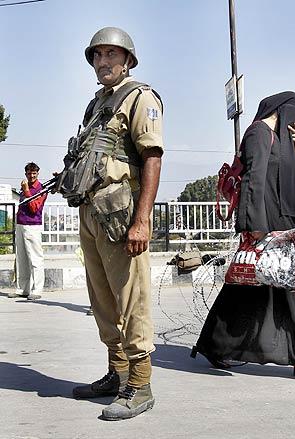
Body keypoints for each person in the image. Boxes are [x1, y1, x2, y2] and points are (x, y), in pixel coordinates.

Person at [192, 91, 295, 379]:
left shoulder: (279, 140)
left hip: (281, 220)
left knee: (247, 288)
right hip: (267, 223)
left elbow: (285, 178)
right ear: (284, 111)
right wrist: (252, 225)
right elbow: (254, 180)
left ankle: (214, 345)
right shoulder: (258, 133)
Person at [64, 27, 164, 420]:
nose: (103, 61)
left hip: (122, 217)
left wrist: (142, 221)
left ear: (127, 60)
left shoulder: (141, 98)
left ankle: (140, 385)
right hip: (92, 213)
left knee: (130, 301)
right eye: (97, 55)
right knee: (103, 301)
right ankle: (117, 373)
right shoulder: (96, 105)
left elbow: (152, 157)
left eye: (111, 54)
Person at [8, 162, 47, 301]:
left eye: (34, 173)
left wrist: (26, 190)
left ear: (38, 173)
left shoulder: (41, 189)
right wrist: (25, 189)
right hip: (21, 224)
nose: (31, 176)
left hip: (33, 226)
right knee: (21, 258)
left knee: (35, 258)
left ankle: (37, 289)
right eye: (29, 173)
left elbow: (34, 208)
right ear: (26, 174)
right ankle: (22, 289)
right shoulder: (26, 187)